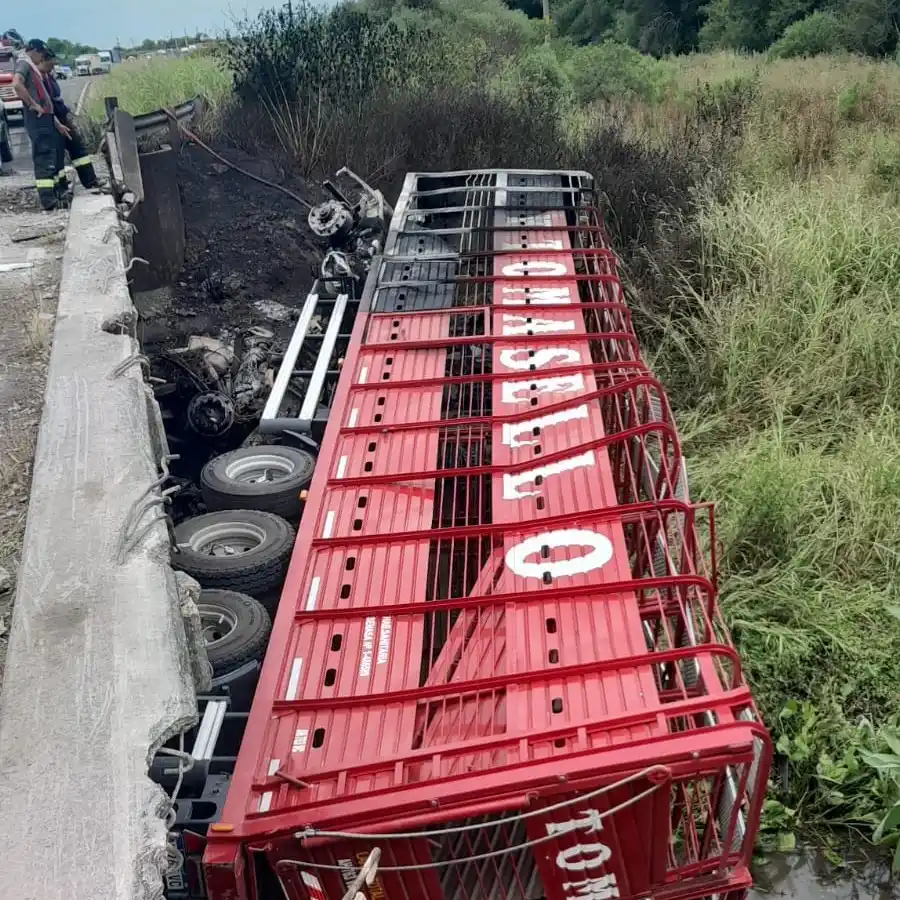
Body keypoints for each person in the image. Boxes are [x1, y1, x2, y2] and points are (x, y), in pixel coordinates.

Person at [12, 39, 70, 211]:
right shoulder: (24, 63)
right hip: (37, 120)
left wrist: (56, 123)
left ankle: (54, 195)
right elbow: (16, 84)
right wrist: (32, 104)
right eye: (41, 54)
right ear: (35, 51)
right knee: (44, 158)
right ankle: (48, 200)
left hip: (45, 119)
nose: (42, 58)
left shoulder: (31, 65)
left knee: (50, 157)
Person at [39, 49, 99, 195]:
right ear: (44, 60)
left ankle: (90, 181)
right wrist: (56, 122)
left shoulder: (49, 76)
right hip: (53, 121)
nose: (54, 65)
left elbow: (56, 98)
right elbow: (45, 103)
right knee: (57, 155)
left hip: (62, 117)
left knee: (78, 148)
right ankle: (61, 189)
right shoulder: (38, 78)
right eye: (52, 62)